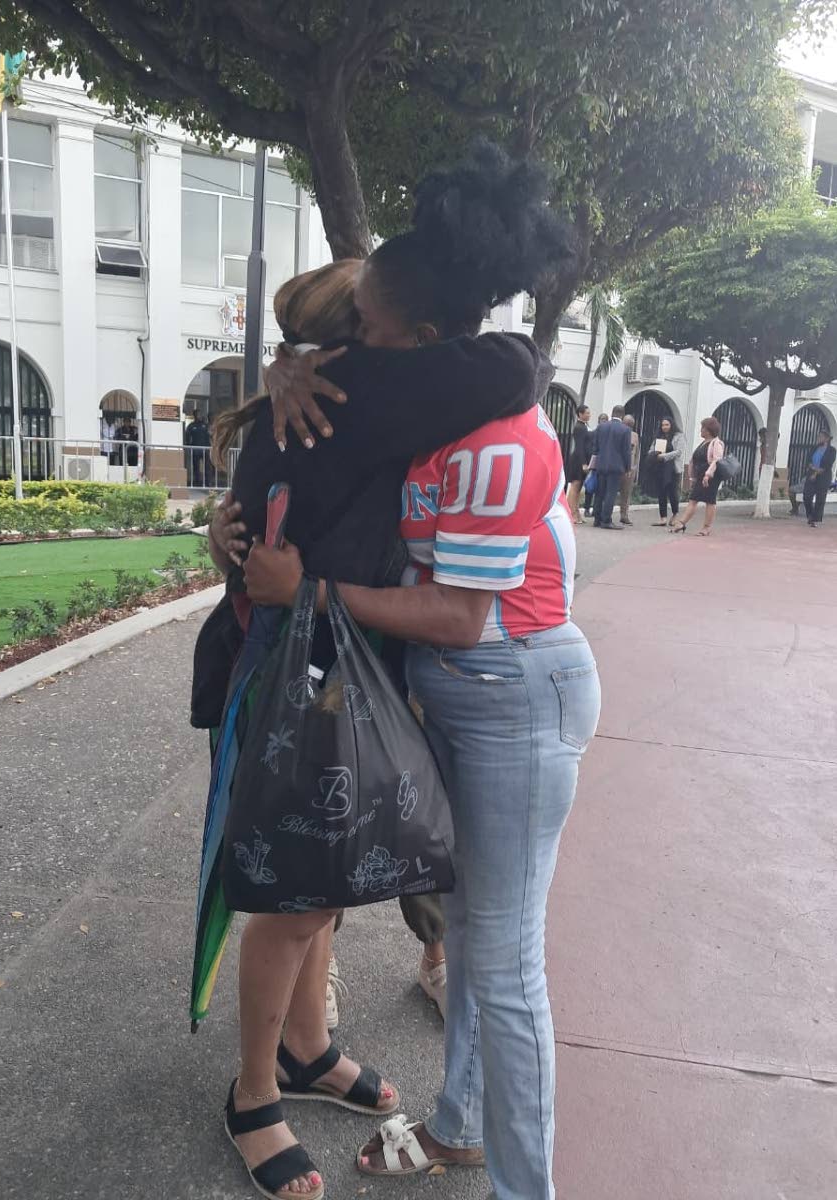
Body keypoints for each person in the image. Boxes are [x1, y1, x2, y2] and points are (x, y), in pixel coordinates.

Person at [198, 149, 570, 1200]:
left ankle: (309, 1049)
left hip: (312, 654)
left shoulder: (333, 384)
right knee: (298, 896)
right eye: (349, 318)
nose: (358, 331)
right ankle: (254, 1093)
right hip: (297, 662)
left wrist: (285, 369)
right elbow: (514, 365)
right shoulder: (370, 384)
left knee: (330, 872)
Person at [670, 416, 724, 536]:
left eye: (703, 428)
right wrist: (693, 477)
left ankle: (707, 527)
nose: (701, 430)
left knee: (710, 501)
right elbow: (695, 461)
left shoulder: (716, 443)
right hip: (700, 476)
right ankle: (681, 523)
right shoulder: (703, 443)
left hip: (711, 477)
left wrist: (708, 475)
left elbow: (716, 460)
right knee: (693, 499)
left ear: (709, 430)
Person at [593, 405, 631, 529]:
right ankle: (606, 520)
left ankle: (597, 519)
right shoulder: (625, 430)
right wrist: (628, 467)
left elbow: (596, 447)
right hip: (616, 466)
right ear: (623, 415)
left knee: (600, 493)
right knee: (610, 493)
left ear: (612, 413)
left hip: (601, 464)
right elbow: (626, 451)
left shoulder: (601, 426)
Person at [651, 417, 687, 526]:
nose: (664, 427)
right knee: (661, 493)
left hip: (673, 469)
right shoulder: (659, 437)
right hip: (660, 468)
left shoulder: (679, 436)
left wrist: (664, 456)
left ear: (671, 425)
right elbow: (651, 448)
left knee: (672, 493)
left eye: (667, 424)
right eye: (663, 425)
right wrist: (653, 454)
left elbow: (679, 452)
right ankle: (663, 518)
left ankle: (675, 514)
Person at [802, 430, 836, 527]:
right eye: (818, 436)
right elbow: (808, 460)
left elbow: (827, 464)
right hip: (811, 473)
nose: (819, 438)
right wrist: (812, 468)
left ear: (827, 438)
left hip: (823, 476)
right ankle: (810, 514)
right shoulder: (814, 448)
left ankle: (815, 519)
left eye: (821, 436)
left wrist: (815, 473)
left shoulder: (832, 450)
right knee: (807, 495)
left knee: (820, 498)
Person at [565, 404, 591, 524]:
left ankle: (576, 513)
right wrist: (584, 463)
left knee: (579, 488)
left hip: (581, 459)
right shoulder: (579, 427)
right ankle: (572, 514)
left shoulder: (584, 426)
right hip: (578, 461)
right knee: (575, 487)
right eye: (587, 413)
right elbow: (580, 447)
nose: (589, 415)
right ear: (580, 414)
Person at [616, 413, 640, 525]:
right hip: (617, 466)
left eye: (630, 424)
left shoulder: (635, 436)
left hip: (630, 469)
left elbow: (637, 454)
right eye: (627, 423)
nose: (628, 425)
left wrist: (634, 467)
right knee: (612, 491)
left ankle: (624, 515)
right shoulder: (618, 432)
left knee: (626, 493)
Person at [582, 414, 606, 518]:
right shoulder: (592, 434)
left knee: (599, 489)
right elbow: (588, 449)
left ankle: (595, 510)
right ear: (598, 421)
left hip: (602, 465)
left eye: (605, 420)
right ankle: (587, 508)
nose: (603, 422)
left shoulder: (607, 435)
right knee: (590, 487)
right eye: (602, 419)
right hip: (593, 464)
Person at [185, 411, 212, 486]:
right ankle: (197, 481)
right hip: (195, 449)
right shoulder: (191, 426)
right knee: (196, 467)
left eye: (200, 414)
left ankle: (208, 482)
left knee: (207, 467)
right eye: (197, 414)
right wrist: (188, 445)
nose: (199, 416)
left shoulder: (205, 425)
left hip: (205, 449)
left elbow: (211, 435)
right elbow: (187, 436)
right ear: (194, 416)